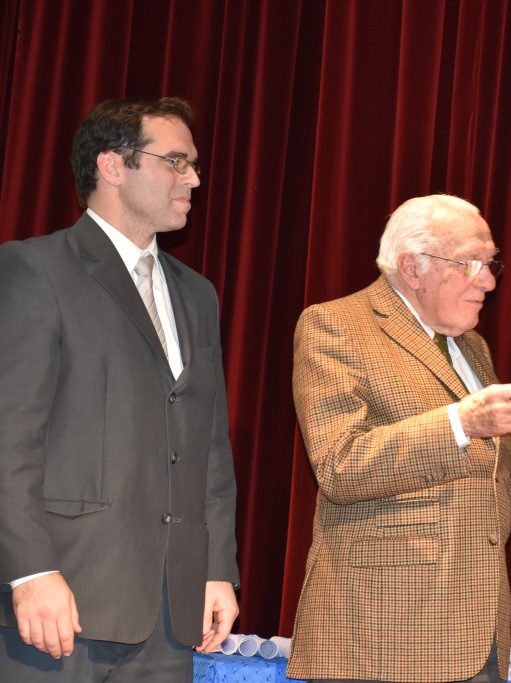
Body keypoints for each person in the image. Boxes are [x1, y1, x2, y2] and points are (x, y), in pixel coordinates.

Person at [287, 194, 511, 683]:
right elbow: (340, 466)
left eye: (492, 265)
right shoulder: (336, 326)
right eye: (473, 263)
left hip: (478, 639)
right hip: (382, 641)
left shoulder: (471, 346)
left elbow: (496, 489)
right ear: (412, 267)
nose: (489, 282)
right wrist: (460, 423)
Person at [0, 98, 240, 681]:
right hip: (64, 603)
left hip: (169, 612)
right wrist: (30, 572)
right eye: (177, 162)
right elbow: (10, 437)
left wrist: (216, 568)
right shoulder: (33, 269)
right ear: (112, 166)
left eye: (194, 165)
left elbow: (208, 445)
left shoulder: (197, 293)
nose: (194, 179)